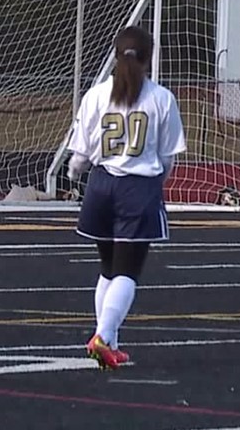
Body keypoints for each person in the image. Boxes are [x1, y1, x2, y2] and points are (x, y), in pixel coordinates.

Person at [65, 26, 186, 371]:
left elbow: (79, 155)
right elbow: (167, 157)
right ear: (149, 58)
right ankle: (103, 336)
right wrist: (155, 183)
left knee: (108, 270)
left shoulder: (96, 95)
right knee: (127, 272)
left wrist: (74, 178)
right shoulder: (161, 98)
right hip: (138, 187)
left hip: (101, 186)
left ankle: (109, 341)